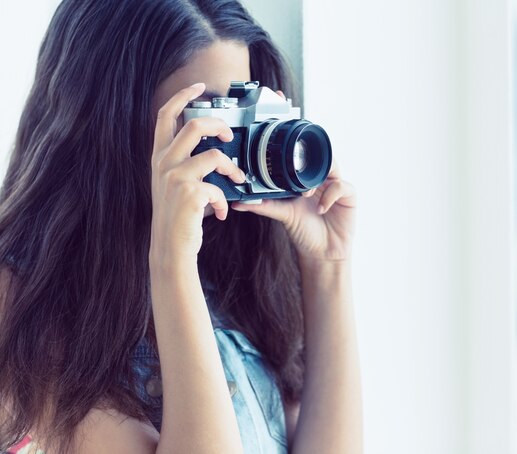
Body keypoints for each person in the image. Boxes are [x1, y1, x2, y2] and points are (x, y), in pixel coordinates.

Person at [0, 0, 362, 453]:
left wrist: (326, 267)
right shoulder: (22, 302)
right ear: (111, 122)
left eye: (241, 108)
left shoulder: (235, 272)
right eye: (209, 117)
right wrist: (172, 261)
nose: (231, 142)